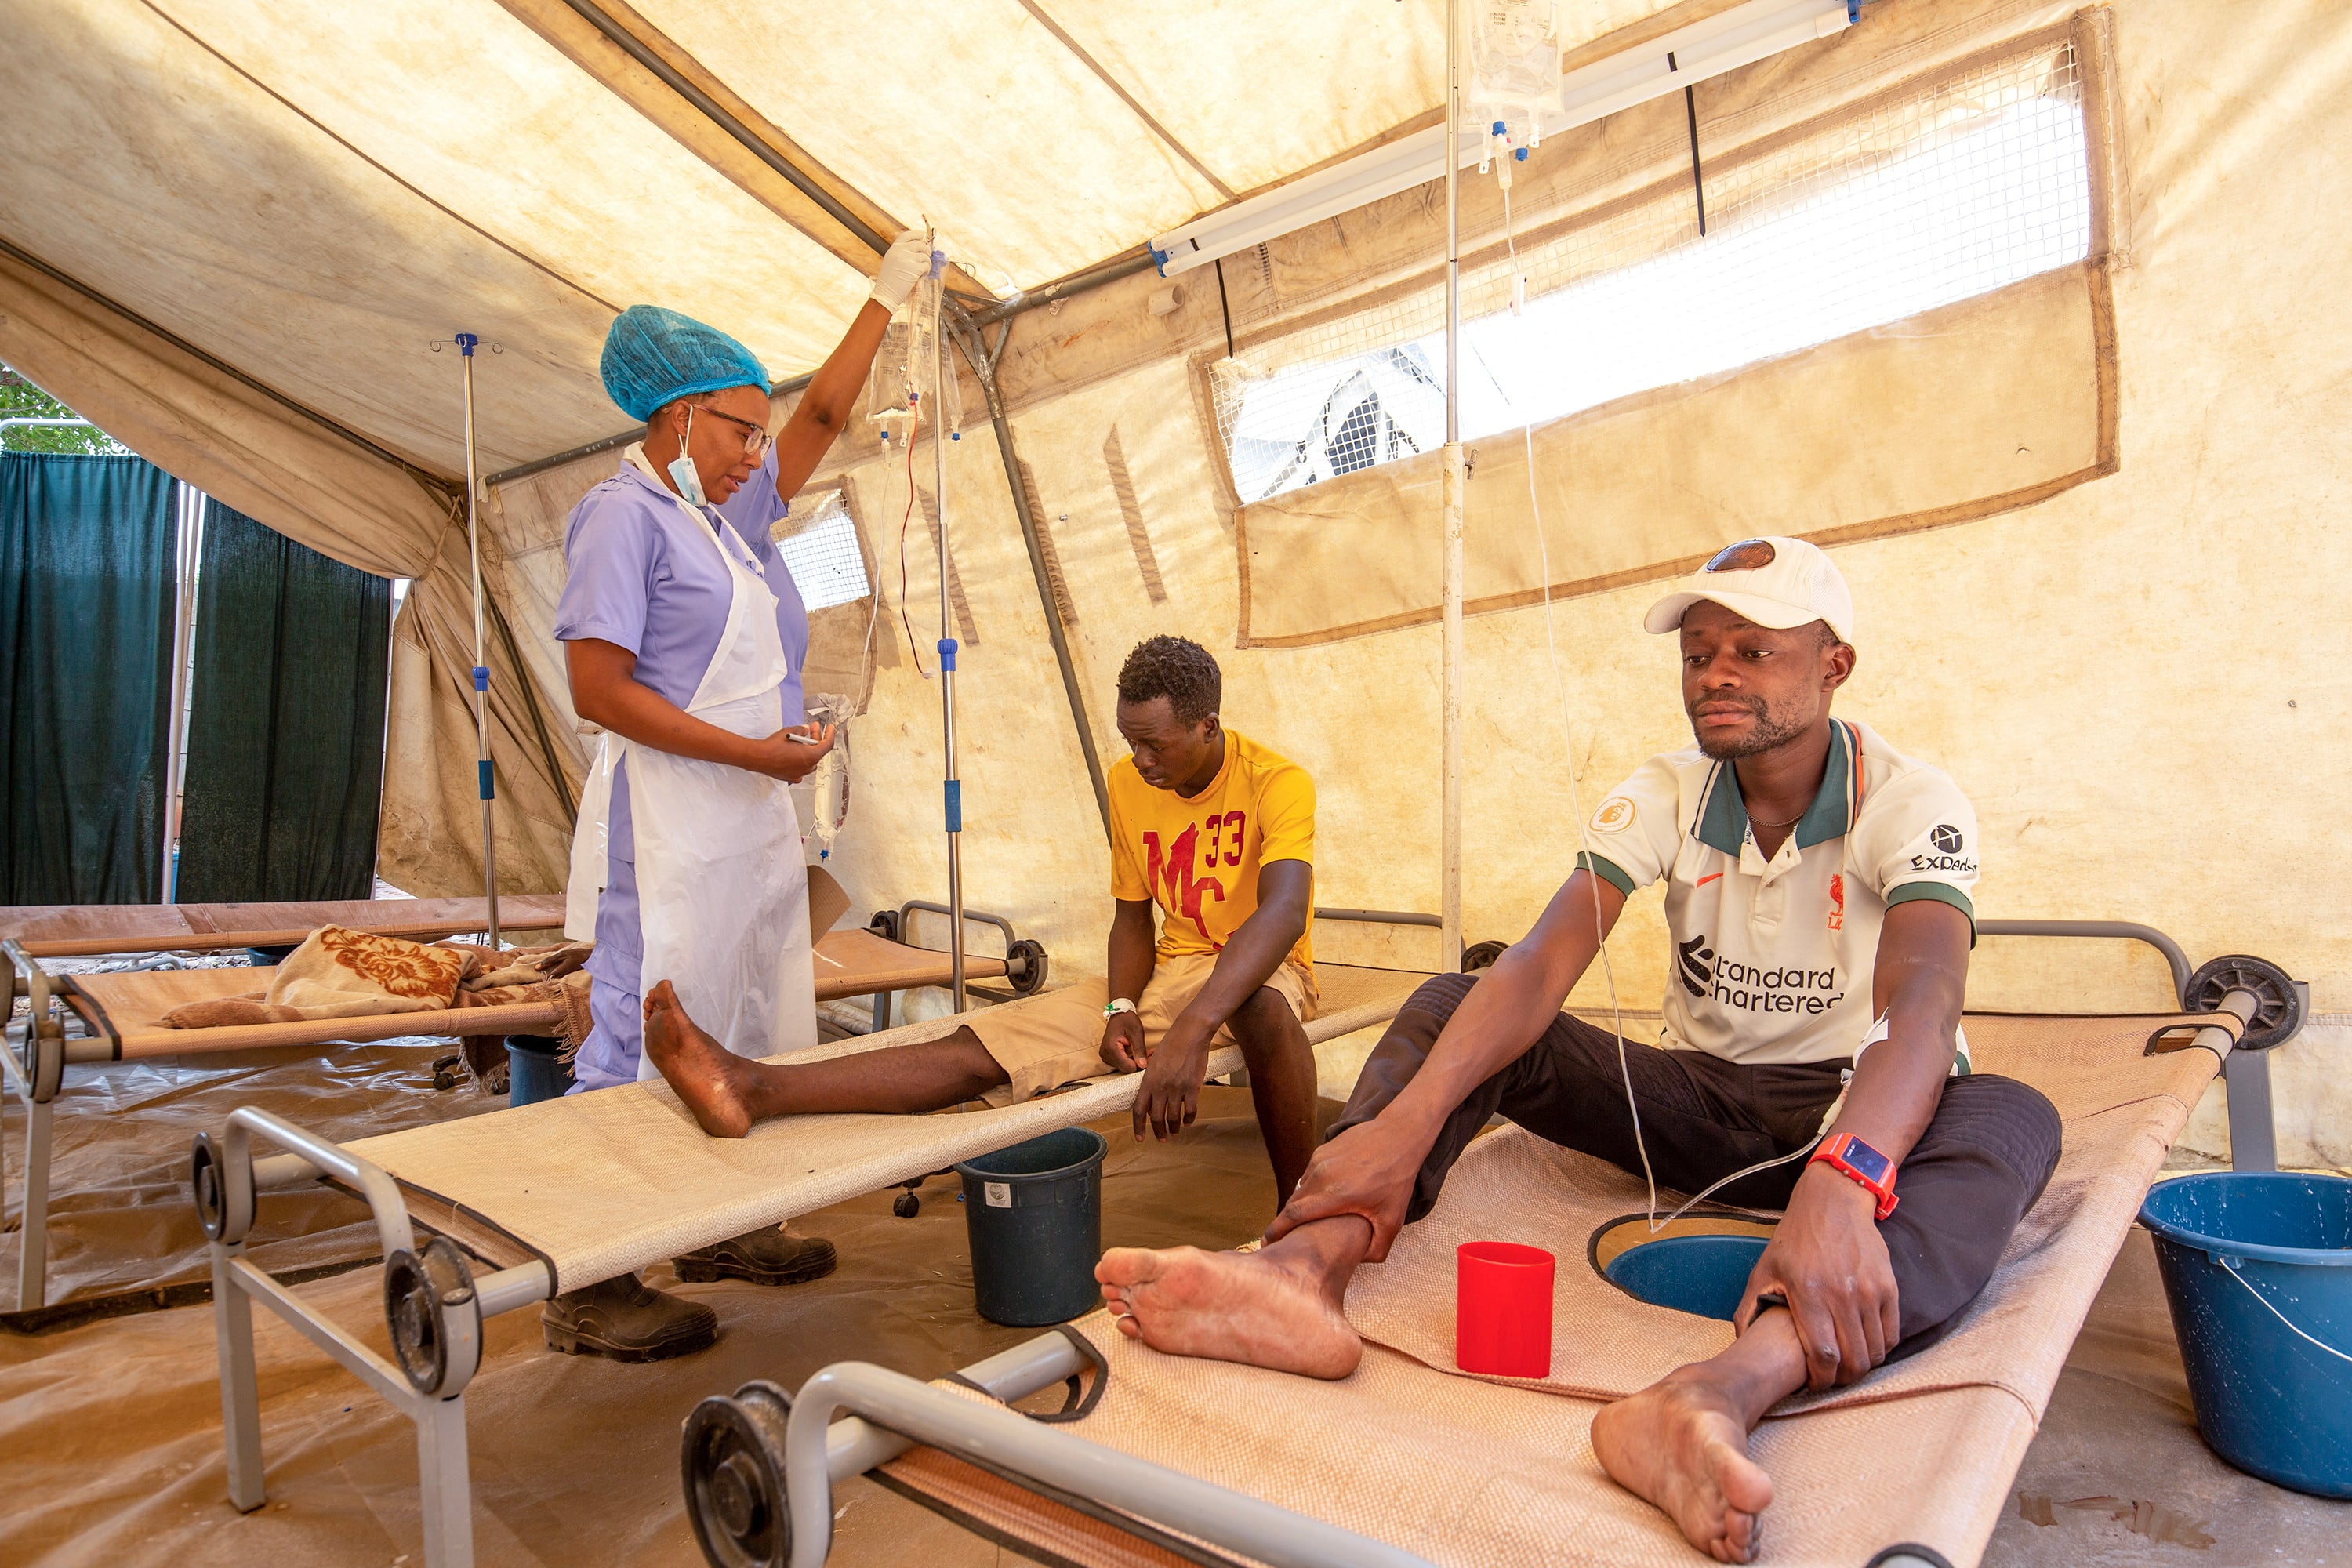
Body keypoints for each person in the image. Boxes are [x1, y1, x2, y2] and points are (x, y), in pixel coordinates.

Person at [1091, 538, 2060, 1565]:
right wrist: (1402, 1128)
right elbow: (1542, 966)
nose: (1717, 673)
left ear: (1833, 665)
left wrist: (1846, 1177)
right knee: (1460, 996)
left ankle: (1709, 1399)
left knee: (2012, 1120)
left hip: (1858, 1113)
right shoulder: (1669, 790)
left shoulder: (1910, 799)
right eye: (1697, 653)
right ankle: (1302, 1274)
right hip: (1702, 1106)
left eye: (1753, 649)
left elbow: (1923, 996)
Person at [543, 230, 934, 1362]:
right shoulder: (624, 515)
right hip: (666, 815)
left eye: (760, 435)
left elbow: (819, 425)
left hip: (747, 811)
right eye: (735, 430)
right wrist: (752, 754)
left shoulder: (722, 513)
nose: (756, 453)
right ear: (672, 416)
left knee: (746, 1011)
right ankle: (591, 1278)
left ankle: (715, 1227)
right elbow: (598, 688)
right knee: (639, 1026)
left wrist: (884, 302)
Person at [645, 634, 1327, 1207]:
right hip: (1166, 975)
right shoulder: (1128, 783)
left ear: (1208, 725)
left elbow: (1284, 912)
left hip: (1256, 964)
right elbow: (1130, 918)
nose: (1139, 760)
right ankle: (752, 1087)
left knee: (1263, 1009)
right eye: (1129, 742)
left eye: (1155, 743)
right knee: (983, 1045)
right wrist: (1122, 1003)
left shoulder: (1275, 782)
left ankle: (1303, 1214)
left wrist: (1194, 1030)